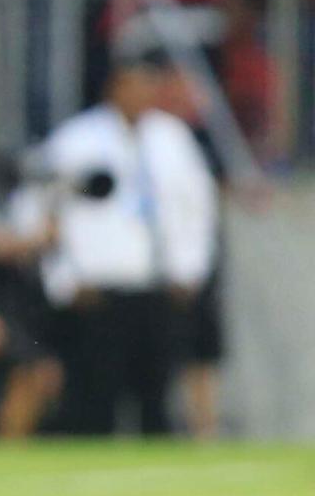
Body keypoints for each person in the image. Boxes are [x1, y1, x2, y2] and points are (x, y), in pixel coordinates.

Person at [31, 53, 218, 434]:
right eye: (136, 84)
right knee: (94, 400)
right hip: (98, 290)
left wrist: (191, 270)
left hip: (159, 286)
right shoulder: (76, 140)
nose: (144, 94)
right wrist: (63, 278)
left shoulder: (173, 138)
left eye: (150, 85)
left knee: (156, 402)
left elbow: (199, 209)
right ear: (114, 87)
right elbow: (40, 211)